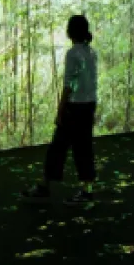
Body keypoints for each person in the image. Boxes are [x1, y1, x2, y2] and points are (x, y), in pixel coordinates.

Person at [23, 15, 99, 206]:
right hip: (89, 105)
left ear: (70, 32)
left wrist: (60, 110)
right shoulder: (91, 53)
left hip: (75, 107)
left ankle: (47, 186)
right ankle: (84, 188)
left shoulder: (73, 54)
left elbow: (69, 85)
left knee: (58, 147)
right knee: (83, 148)